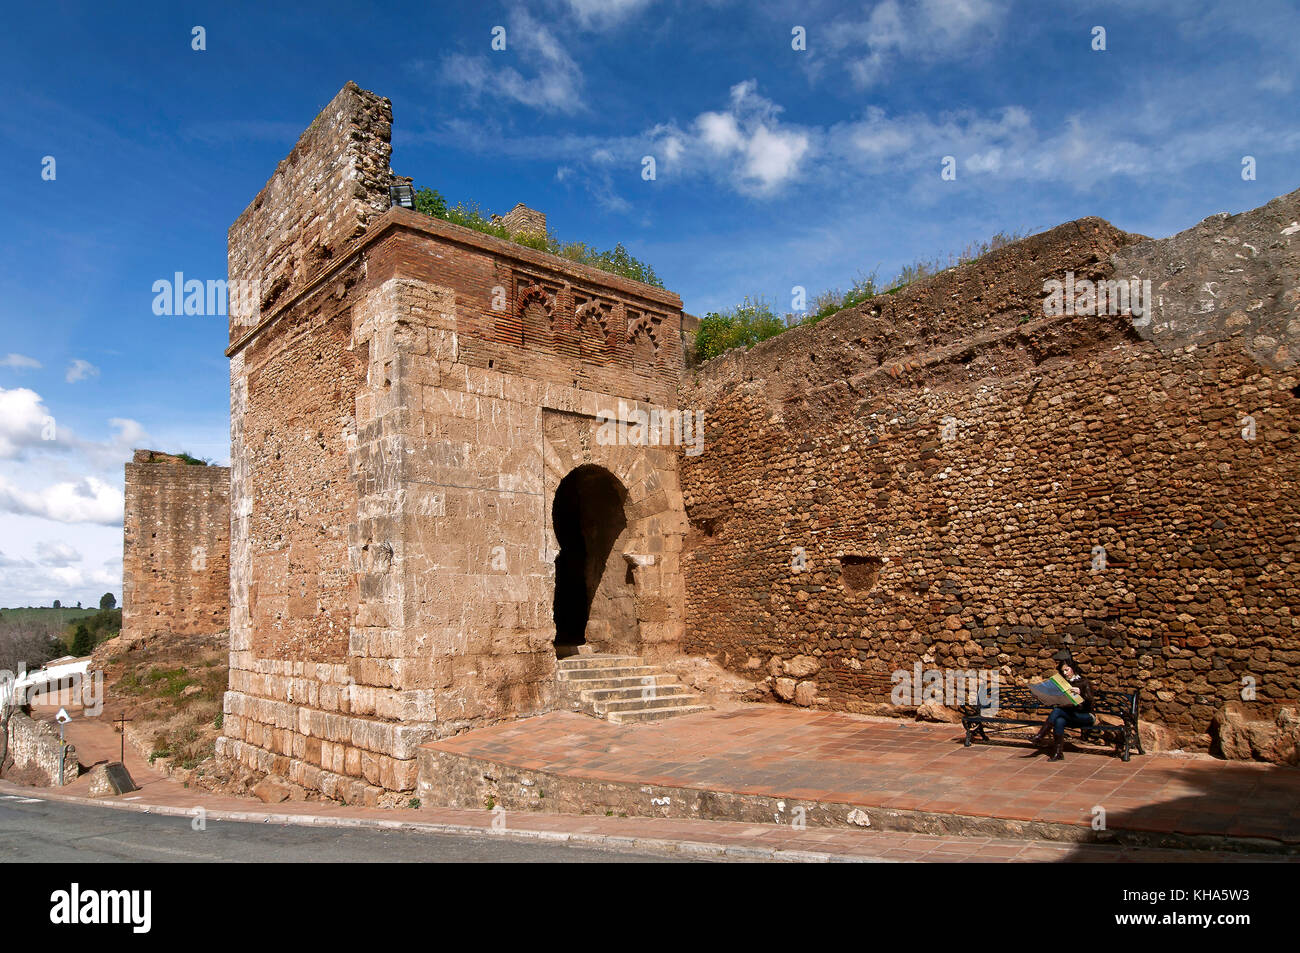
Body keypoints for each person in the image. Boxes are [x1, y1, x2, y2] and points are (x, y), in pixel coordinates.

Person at [1031, 658, 1095, 761]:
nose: (1065, 673)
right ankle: (1058, 753)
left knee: (1057, 711)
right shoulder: (1063, 683)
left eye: (1067, 670)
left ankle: (1040, 735)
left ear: (1073, 669)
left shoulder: (1084, 682)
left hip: (1086, 716)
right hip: (1070, 714)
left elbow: (1090, 703)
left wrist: (1081, 694)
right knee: (1059, 720)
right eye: (1063, 671)